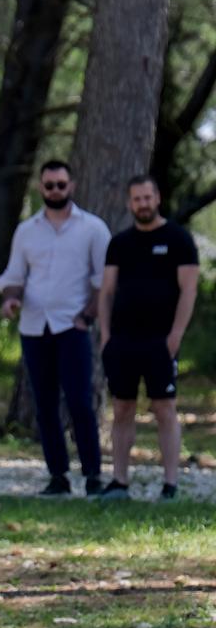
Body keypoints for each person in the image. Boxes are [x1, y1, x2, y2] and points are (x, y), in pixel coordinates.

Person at [0, 160, 111, 497]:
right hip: (34, 328)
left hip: (71, 327)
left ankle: (93, 475)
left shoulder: (92, 228)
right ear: (40, 187)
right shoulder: (26, 230)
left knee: (79, 401)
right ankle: (57, 475)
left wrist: (86, 317)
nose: (55, 191)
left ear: (71, 186)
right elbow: (14, 277)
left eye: (61, 184)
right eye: (49, 185)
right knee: (44, 405)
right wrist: (10, 301)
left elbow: (104, 281)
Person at [96, 175, 199, 502]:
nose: (142, 204)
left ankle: (170, 484)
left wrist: (175, 336)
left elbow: (189, 290)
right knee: (122, 408)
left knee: (164, 408)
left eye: (147, 197)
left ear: (157, 198)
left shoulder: (179, 239)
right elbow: (106, 292)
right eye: (136, 199)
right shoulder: (120, 243)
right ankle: (119, 482)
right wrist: (107, 335)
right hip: (123, 341)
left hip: (161, 341)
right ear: (129, 203)